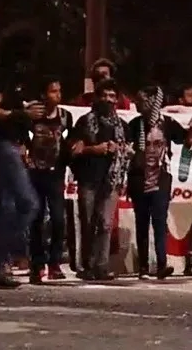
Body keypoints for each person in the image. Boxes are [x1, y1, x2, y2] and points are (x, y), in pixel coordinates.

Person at [0, 67, 43, 288]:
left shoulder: (17, 83)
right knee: (28, 203)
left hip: (11, 145)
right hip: (1, 145)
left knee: (6, 207)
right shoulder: (1, 79)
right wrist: (20, 113)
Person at [71, 79, 132, 281]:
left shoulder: (122, 125)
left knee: (105, 224)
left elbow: (128, 151)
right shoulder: (84, 122)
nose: (108, 99)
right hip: (89, 179)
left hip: (111, 181)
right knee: (88, 223)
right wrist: (93, 149)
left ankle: (102, 265)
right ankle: (86, 265)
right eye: (104, 95)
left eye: (112, 96)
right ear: (97, 98)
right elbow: (74, 150)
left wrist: (125, 151)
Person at [128, 86, 186, 280]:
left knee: (160, 220)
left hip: (161, 176)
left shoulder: (167, 124)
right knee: (142, 221)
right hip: (139, 177)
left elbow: (185, 140)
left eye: (142, 100)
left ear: (153, 102)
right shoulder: (135, 125)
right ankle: (144, 266)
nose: (138, 104)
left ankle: (162, 264)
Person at [26, 76, 73, 284]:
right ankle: (37, 264)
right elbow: (23, 138)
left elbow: (69, 141)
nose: (57, 95)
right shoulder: (33, 116)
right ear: (44, 94)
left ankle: (54, 263)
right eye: (53, 91)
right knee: (35, 219)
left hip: (55, 173)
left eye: (59, 91)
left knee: (58, 219)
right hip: (35, 172)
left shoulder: (65, 116)